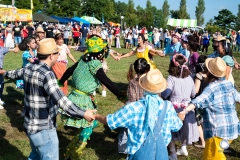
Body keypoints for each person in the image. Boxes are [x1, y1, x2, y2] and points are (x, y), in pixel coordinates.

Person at [0, 38, 96, 159]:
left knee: (35, 155)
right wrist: (83, 113)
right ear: (51, 56)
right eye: (57, 53)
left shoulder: (29, 67)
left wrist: (3, 72)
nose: (58, 55)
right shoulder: (47, 74)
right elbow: (61, 100)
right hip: (43, 128)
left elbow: (14, 73)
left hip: (29, 125)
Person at [58, 36, 125, 159]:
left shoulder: (83, 59)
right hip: (82, 100)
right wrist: (121, 96)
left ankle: (72, 150)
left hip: (73, 96)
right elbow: (107, 82)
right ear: (99, 52)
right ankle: (72, 154)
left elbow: (69, 70)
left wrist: (61, 81)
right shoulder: (94, 63)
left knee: (89, 124)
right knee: (90, 125)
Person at [94, 69, 183, 159]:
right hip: (161, 155)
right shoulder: (168, 107)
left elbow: (111, 121)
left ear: (143, 86)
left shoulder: (134, 108)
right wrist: (180, 117)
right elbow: (177, 126)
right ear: (161, 88)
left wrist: (96, 116)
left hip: (139, 155)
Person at [179, 57, 240, 160]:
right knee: (211, 154)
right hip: (231, 129)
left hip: (217, 131)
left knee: (213, 156)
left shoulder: (211, 88)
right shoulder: (229, 84)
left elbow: (198, 101)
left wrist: (184, 111)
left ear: (208, 72)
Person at [161, 54, 198, 160]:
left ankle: (172, 153)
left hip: (175, 109)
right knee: (185, 128)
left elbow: (166, 94)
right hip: (187, 109)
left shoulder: (171, 78)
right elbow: (193, 93)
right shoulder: (189, 78)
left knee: (171, 130)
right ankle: (183, 147)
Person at [193, 55, 208, 149]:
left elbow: (196, 90)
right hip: (209, 101)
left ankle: (203, 142)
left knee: (198, 122)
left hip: (200, 101)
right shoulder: (212, 74)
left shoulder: (199, 76)